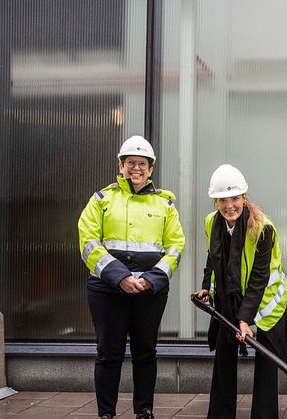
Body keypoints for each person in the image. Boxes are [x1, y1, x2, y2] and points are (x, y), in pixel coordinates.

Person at [78, 135, 185, 419]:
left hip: (149, 292)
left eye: (142, 164)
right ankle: (106, 413)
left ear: (150, 169)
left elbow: (176, 246)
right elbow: (88, 241)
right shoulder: (101, 199)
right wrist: (119, 277)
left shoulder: (165, 204)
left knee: (145, 353)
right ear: (121, 166)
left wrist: (151, 279)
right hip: (107, 291)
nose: (136, 168)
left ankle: (144, 411)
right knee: (108, 353)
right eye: (130, 163)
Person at [195, 164, 287, 419]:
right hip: (229, 300)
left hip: (266, 303)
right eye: (222, 200)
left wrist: (245, 319)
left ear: (244, 197)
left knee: (266, 363)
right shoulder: (212, 222)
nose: (230, 205)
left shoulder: (263, 228)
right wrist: (206, 288)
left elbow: (260, 278)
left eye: (235, 198)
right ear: (215, 202)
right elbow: (212, 258)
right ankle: (220, 414)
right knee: (224, 357)